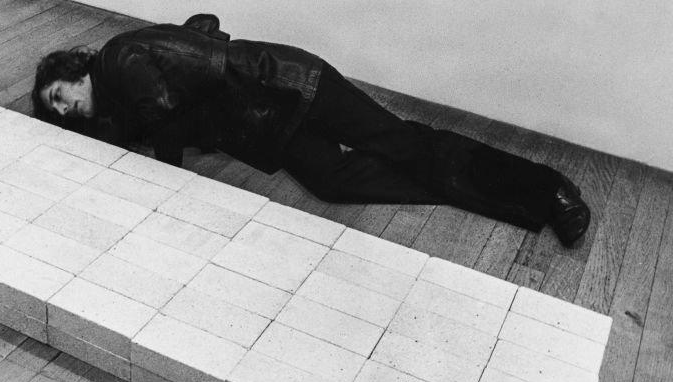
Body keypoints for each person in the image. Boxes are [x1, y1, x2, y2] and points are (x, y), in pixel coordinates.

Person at [31, 14, 591, 246]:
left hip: (292, 86)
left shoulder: (116, 60)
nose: (65, 109)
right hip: (269, 122)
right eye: (56, 113)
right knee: (336, 180)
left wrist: (164, 177)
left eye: (59, 95)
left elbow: (171, 105)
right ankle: (486, 191)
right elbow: (202, 29)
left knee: (402, 144)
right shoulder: (121, 96)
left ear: (72, 70)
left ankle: (547, 190)